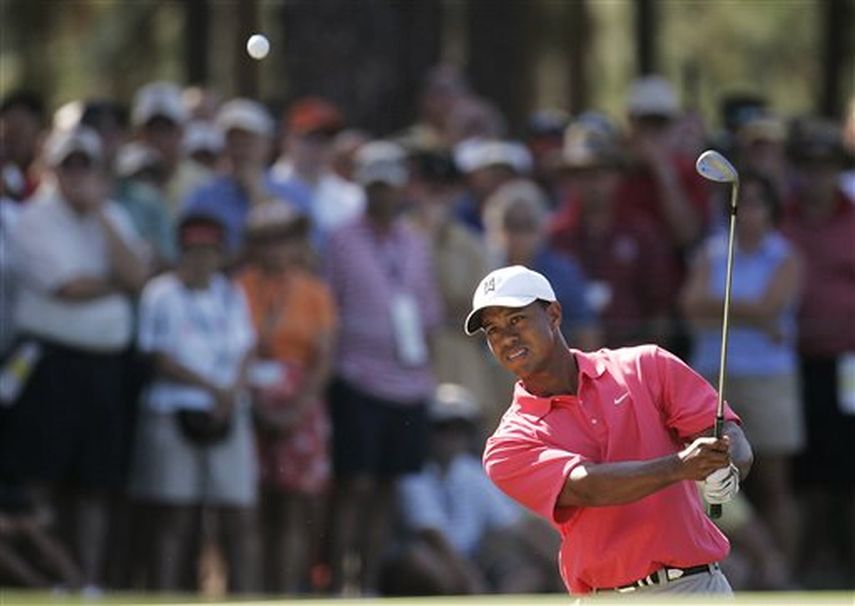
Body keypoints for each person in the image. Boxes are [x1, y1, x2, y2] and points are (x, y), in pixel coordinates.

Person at [466, 265, 753, 596]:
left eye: (516, 319)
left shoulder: (647, 366)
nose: (507, 337)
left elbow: (727, 433)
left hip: (696, 588)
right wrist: (680, 467)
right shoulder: (507, 444)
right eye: (493, 330)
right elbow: (588, 487)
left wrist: (728, 466)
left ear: (554, 314)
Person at [1, 127, 149, 592]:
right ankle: (48, 582)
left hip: (106, 367)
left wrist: (101, 214)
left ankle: (89, 581)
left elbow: (137, 274)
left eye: (87, 165)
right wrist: (117, 284)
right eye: (70, 165)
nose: (79, 174)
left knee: (96, 484)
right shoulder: (33, 220)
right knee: (43, 479)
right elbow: (67, 287)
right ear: (52, 169)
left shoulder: (114, 217)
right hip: (50, 366)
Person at [325, 141, 442, 594]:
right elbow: (329, 308)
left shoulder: (414, 243)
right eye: (373, 186)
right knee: (354, 485)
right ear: (362, 188)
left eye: (388, 186)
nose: (381, 195)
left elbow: (428, 309)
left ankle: (368, 584)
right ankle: (339, 584)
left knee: (388, 488)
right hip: (357, 376)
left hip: (408, 382)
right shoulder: (340, 239)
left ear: (401, 190)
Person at [681, 170, 804, 574]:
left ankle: (782, 576)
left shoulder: (785, 254)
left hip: (769, 377)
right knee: (710, 479)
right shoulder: (712, 251)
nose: (749, 211)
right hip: (712, 380)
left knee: (773, 484)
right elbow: (689, 304)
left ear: (771, 211)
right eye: (742, 202)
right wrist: (751, 313)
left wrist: (718, 307)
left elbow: (772, 305)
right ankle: (722, 569)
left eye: (757, 203)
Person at [130, 213, 259, 593]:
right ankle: (169, 595)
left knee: (237, 513)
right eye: (193, 251)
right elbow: (158, 356)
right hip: (173, 409)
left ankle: (247, 597)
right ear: (181, 252)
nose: (201, 259)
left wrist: (230, 392)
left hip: (227, 411)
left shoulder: (231, 293)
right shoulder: (160, 293)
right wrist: (211, 387)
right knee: (176, 515)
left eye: (209, 251)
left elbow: (246, 348)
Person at [237, 203, 337, 593]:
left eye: (285, 238)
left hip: (301, 403)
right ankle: (250, 591)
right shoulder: (239, 285)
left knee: (297, 506)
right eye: (268, 238)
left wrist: (297, 407)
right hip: (246, 398)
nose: (277, 247)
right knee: (252, 506)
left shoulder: (314, 291)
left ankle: (287, 593)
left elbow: (324, 357)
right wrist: (255, 404)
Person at [384, 383, 562, 596]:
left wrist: (551, 558)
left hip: (472, 558)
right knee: (418, 560)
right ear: (428, 431)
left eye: (460, 428)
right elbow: (432, 536)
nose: (452, 436)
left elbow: (511, 525)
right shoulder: (413, 473)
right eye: (443, 427)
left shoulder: (470, 471)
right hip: (435, 560)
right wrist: (472, 582)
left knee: (530, 568)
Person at [782, 118, 855, 587]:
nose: (817, 175)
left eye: (826, 165)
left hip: (850, 363)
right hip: (791, 362)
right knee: (800, 474)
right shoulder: (782, 217)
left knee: (849, 470)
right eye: (808, 165)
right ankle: (801, 574)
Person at [550, 117, 674, 348]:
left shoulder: (642, 233)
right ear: (569, 179)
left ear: (618, 176)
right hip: (565, 361)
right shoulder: (553, 236)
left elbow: (660, 308)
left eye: (601, 172)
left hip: (629, 358)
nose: (592, 183)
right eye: (582, 174)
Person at [183, 98, 300, 255]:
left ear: (267, 144)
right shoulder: (202, 199)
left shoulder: (294, 193)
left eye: (248, 141)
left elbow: (309, 256)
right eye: (233, 142)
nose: (240, 150)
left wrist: (258, 196)